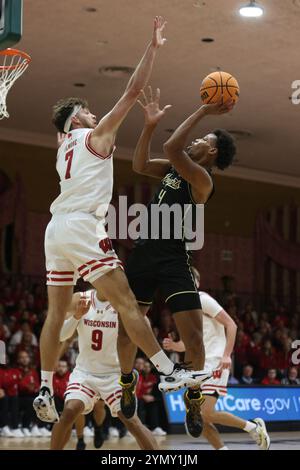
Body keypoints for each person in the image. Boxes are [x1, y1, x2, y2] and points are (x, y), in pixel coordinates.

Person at [34, 17, 205, 424]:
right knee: (128, 302)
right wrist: (154, 48)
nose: (94, 113)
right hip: (81, 227)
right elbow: (131, 91)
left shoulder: (62, 150)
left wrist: (64, 120)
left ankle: (44, 386)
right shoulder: (95, 137)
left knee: (55, 314)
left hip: (54, 230)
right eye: (85, 111)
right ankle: (168, 370)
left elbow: (61, 127)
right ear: (75, 123)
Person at [119, 86, 236, 437]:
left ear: (211, 151)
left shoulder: (202, 179)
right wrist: (149, 126)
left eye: (203, 138)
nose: (196, 140)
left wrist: (203, 111)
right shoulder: (173, 167)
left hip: (173, 258)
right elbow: (139, 164)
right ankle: (127, 380)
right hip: (143, 253)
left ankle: (194, 396)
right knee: (128, 328)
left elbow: (173, 147)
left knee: (195, 340)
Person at [163, 285, 270, 450]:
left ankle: (253, 427)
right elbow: (189, 344)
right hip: (198, 366)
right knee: (196, 417)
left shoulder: (202, 299)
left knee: (204, 413)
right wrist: (174, 345)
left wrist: (227, 355)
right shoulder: (185, 309)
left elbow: (231, 325)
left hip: (215, 362)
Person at [50, 289, 158, 450]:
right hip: (85, 372)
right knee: (69, 412)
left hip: (116, 375)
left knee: (133, 422)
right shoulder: (80, 298)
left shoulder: (126, 303)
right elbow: (61, 335)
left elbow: (145, 331)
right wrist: (76, 316)